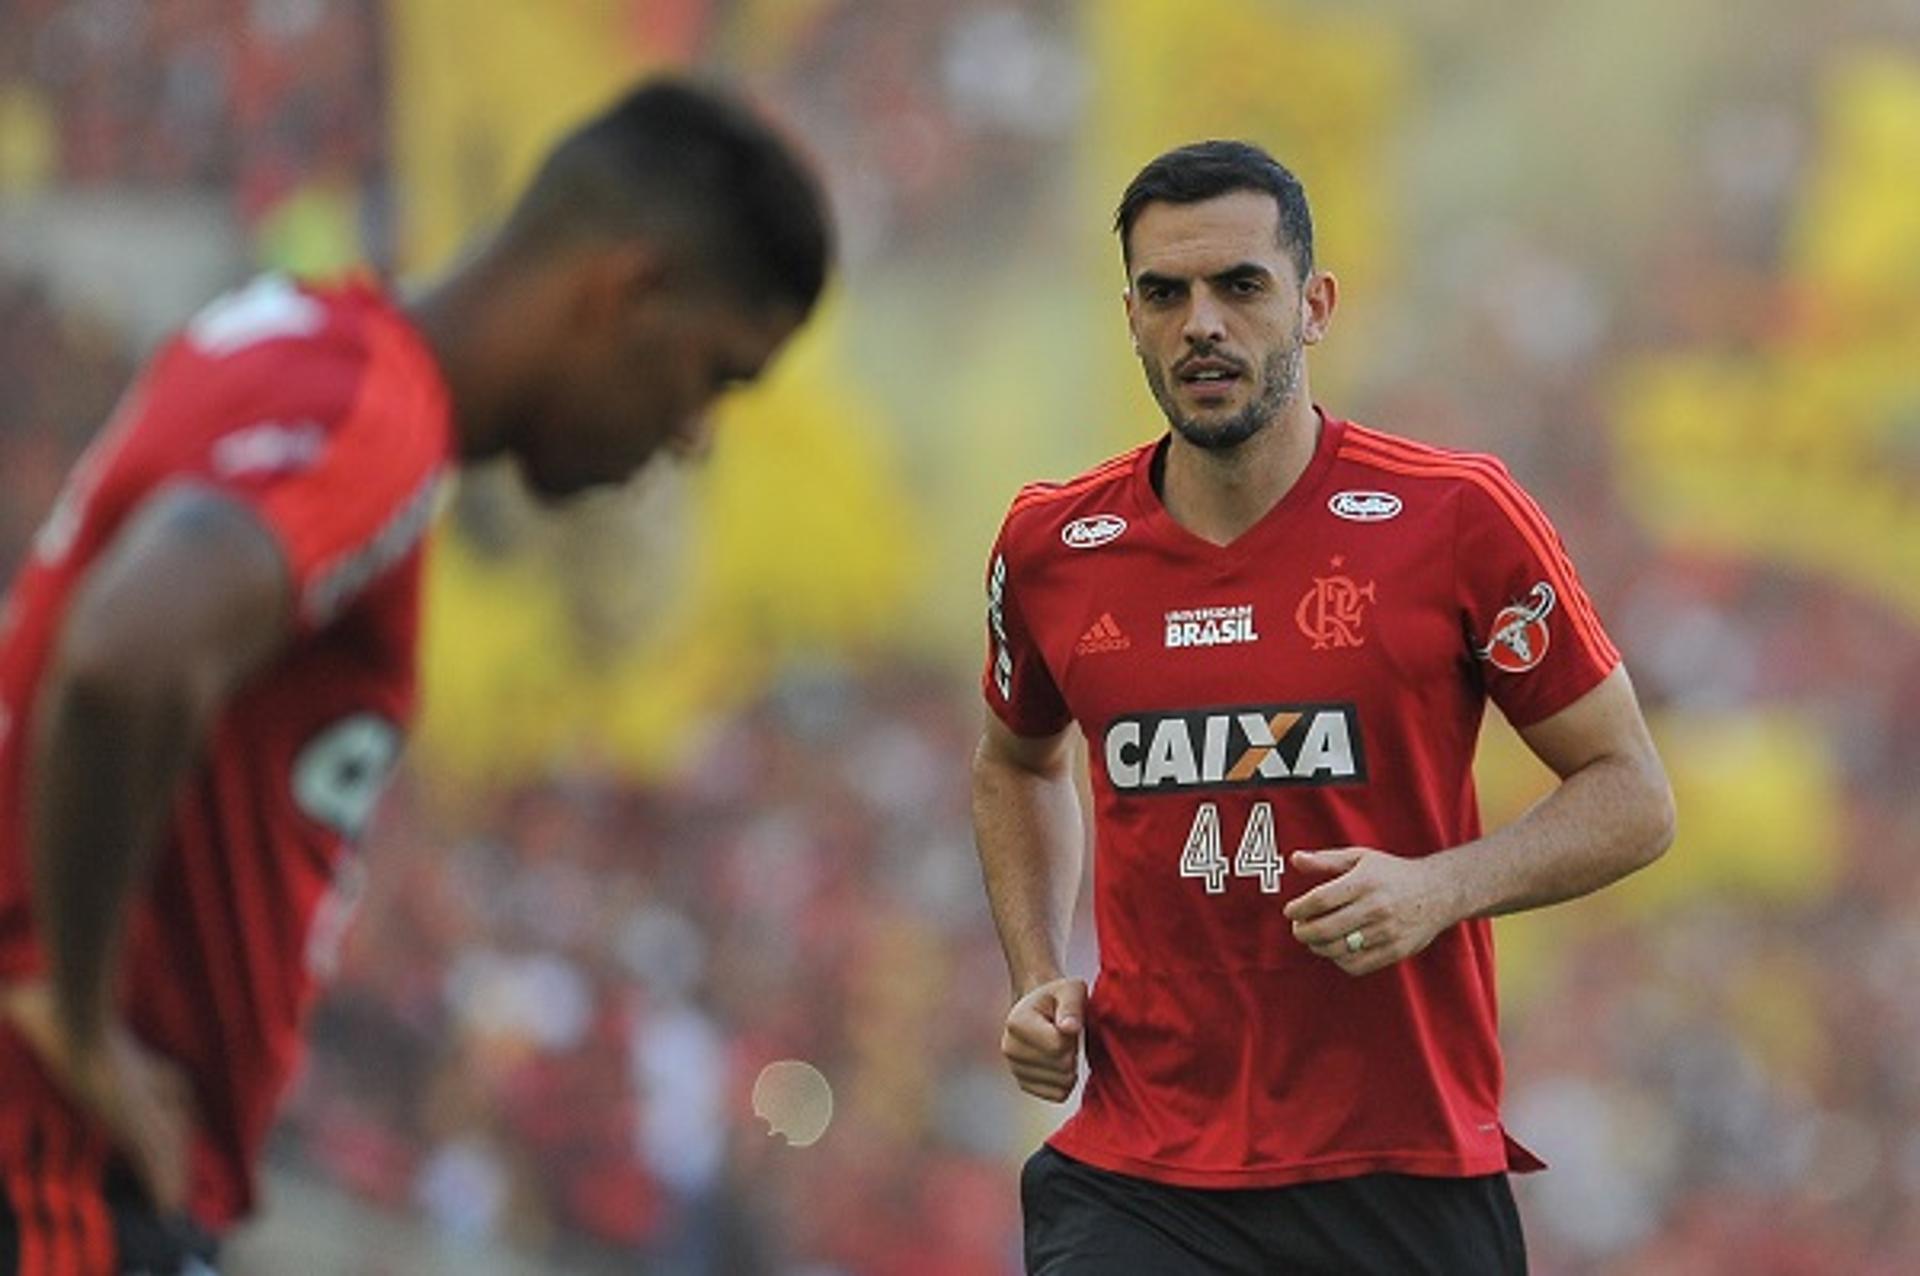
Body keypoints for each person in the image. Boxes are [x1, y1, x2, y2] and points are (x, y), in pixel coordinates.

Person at [0, 77, 830, 1274]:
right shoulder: (373, 410)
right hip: (55, 1166)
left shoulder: (302, 339)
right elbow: (126, 659)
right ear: (627, 289)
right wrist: (77, 1021)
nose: (694, 433)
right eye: (714, 374)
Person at [971, 140, 1675, 1275]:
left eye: (1240, 286)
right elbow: (1015, 760)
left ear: (1314, 305)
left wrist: (1441, 886)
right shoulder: (1053, 544)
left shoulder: (1458, 517)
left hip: (1400, 1173)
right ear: (1132, 319)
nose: (1202, 322)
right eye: (1165, 293)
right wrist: (1037, 971)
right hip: (1140, 1177)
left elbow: (1635, 794)